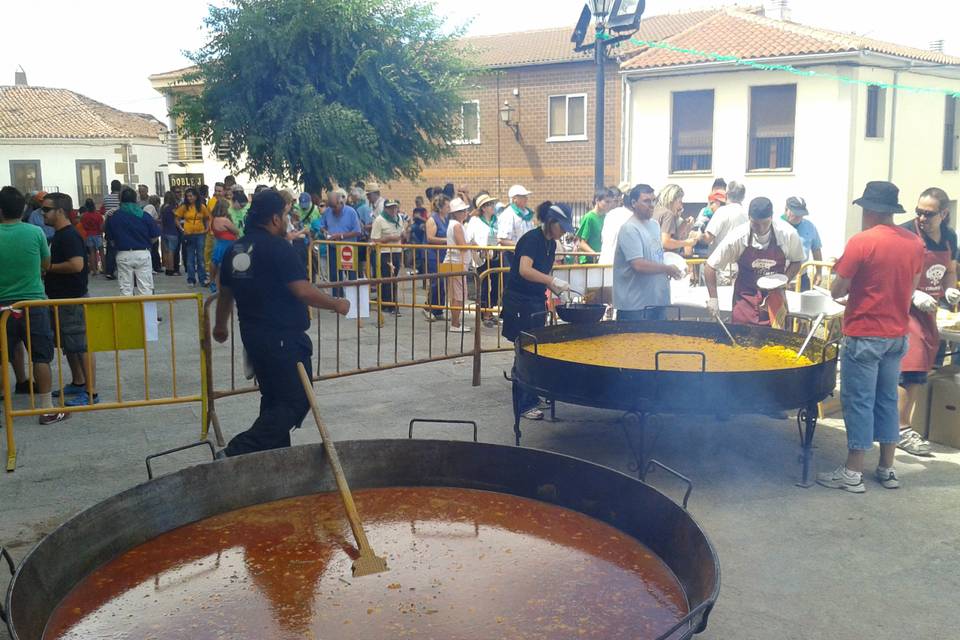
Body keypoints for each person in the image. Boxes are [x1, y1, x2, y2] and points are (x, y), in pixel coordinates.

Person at [212, 190, 350, 457]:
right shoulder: (278, 248)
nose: (287, 220)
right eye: (286, 214)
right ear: (275, 218)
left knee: (274, 399)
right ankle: (238, 450)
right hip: (283, 338)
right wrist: (336, 304)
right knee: (296, 401)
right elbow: (302, 290)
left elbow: (225, 294)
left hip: (253, 335)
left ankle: (274, 460)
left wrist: (220, 327)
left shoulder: (236, 249)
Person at [817, 181, 925, 492]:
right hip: (896, 333)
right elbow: (912, 287)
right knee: (887, 399)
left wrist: (850, 290)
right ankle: (887, 468)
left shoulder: (862, 242)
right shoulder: (915, 244)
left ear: (871, 211)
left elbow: (838, 289)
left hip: (865, 332)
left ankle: (852, 472)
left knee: (859, 401)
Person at [896, 187, 960, 457]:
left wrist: (949, 289)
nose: (922, 217)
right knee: (909, 369)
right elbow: (894, 275)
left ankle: (903, 425)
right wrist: (913, 294)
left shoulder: (949, 237)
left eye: (929, 213)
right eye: (919, 211)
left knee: (923, 368)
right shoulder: (907, 233)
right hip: (905, 310)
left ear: (943, 214)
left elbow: (949, 270)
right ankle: (900, 429)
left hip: (931, 311)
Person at [501, 202, 575, 420]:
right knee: (525, 351)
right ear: (550, 222)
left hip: (535, 300)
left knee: (535, 349)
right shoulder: (532, 239)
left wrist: (555, 288)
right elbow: (525, 270)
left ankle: (532, 395)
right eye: (560, 227)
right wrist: (551, 280)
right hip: (519, 302)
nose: (562, 231)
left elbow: (541, 273)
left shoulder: (550, 244)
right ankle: (523, 404)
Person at [0, 186, 67, 424]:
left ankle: (10, 395)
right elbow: (45, 264)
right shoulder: (35, 232)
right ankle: (47, 407)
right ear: (24, 209)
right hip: (33, 303)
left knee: (4, 353)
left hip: (3, 307)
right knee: (40, 356)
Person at [705, 197, 804, 325]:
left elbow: (797, 261)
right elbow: (710, 266)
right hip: (745, 300)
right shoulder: (738, 237)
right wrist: (713, 299)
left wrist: (784, 280)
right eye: (756, 224)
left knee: (777, 342)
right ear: (749, 218)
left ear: (772, 217)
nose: (761, 229)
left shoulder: (788, 234)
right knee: (742, 340)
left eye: (765, 223)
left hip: (775, 300)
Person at [42, 192, 97, 407]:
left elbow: (77, 265)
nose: (43, 213)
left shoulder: (69, 235)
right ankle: (78, 381)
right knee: (69, 345)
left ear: (61, 211)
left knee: (81, 345)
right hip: (61, 299)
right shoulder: (61, 234)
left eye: (47, 209)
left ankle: (91, 392)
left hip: (73, 299)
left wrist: (49, 268)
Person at [614, 184, 684, 321]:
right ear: (634, 203)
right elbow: (638, 264)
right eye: (646, 201)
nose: (651, 205)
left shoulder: (655, 225)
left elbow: (655, 256)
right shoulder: (629, 229)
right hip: (635, 306)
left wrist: (671, 267)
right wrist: (667, 269)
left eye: (653, 200)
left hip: (657, 300)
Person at [105, 187, 160, 297]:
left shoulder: (114, 217)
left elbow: (110, 239)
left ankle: (128, 314)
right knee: (146, 288)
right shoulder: (144, 215)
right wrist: (146, 244)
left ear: (120, 200)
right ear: (136, 199)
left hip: (123, 253)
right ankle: (147, 314)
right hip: (143, 253)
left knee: (125, 289)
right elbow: (154, 236)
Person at [702, 180, 748, 285]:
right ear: (743, 197)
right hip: (741, 266)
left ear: (726, 195)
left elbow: (708, 238)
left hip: (722, 266)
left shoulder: (722, 212)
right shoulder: (747, 214)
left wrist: (698, 237)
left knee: (722, 299)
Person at [319, 189, 362, 297]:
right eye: (331, 207)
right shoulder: (328, 211)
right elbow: (322, 226)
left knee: (351, 275)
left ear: (341, 202)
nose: (333, 210)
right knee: (334, 275)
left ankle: (353, 300)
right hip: (333, 247)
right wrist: (325, 232)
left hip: (348, 248)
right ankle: (337, 298)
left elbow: (357, 231)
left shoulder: (351, 212)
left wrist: (341, 236)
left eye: (335, 207)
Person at [468, 193, 500, 327]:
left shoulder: (496, 221)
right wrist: (481, 249)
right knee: (485, 285)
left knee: (497, 284)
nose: (493, 207)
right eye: (489, 205)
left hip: (495, 255)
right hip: (481, 257)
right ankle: (485, 313)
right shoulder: (475, 221)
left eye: (492, 204)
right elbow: (470, 239)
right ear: (483, 208)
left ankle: (490, 309)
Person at [370, 199, 406, 313]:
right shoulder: (379, 220)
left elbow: (402, 233)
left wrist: (405, 234)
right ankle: (386, 303)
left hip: (396, 251)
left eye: (395, 207)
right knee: (386, 278)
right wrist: (387, 239)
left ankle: (392, 302)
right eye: (390, 208)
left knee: (394, 278)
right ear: (385, 208)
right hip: (384, 252)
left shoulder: (399, 218)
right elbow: (374, 239)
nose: (393, 210)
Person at [443, 197, 473, 332]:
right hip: (456, 263)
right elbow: (463, 246)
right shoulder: (456, 225)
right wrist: (472, 244)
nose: (465, 213)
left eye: (465, 210)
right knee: (458, 295)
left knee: (457, 294)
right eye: (461, 211)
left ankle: (455, 323)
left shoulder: (455, 224)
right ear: (455, 213)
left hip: (456, 263)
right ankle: (455, 324)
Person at [782, 196, 823, 289]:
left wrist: (819, 272)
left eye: (801, 214)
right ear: (786, 210)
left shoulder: (810, 226)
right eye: (796, 214)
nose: (799, 217)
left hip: (802, 277)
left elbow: (816, 249)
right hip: (781, 277)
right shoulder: (777, 226)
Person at [175, 187, 210, 287]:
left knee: (200, 257)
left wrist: (207, 228)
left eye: (191, 196)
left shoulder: (201, 207)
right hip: (188, 234)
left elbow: (207, 218)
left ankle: (202, 278)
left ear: (196, 196)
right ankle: (191, 279)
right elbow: (176, 218)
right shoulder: (184, 207)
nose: (189, 198)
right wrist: (182, 229)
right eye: (187, 196)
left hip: (200, 233)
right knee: (190, 257)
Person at [423, 193, 450, 322]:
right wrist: (446, 240)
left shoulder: (446, 219)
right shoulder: (433, 219)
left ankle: (439, 309)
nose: (449, 208)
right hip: (434, 254)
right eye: (447, 206)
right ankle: (428, 307)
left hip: (444, 254)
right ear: (440, 207)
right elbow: (430, 238)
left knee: (442, 283)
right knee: (435, 282)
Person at [576, 187, 618, 264]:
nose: (609, 205)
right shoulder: (589, 217)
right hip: (588, 261)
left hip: (601, 260)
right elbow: (581, 243)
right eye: (607, 202)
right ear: (597, 200)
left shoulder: (607, 217)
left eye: (611, 202)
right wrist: (595, 254)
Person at [653, 184, 699, 254]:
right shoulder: (668, 214)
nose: (681, 206)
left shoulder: (654, 211)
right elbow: (666, 242)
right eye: (680, 202)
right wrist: (687, 242)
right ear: (672, 200)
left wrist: (684, 225)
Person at [209, 199, 241, 293]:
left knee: (217, 265)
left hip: (219, 243)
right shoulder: (224, 220)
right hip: (227, 245)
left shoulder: (214, 220)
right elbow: (236, 231)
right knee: (227, 266)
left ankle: (214, 283)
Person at [496, 185, 536, 249]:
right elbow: (502, 239)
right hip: (512, 254)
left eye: (526, 196)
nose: (526, 198)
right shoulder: (508, 214)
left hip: (527, 253)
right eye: (523, 196)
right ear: (514, 199)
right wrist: (521, 245)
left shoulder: (528, 214)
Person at [102, 180, 122, 280]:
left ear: (111, 187)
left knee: (110, 249)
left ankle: (109, 271)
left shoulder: (106, 198)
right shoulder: (120, 199)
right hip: (120, 223)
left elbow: (104, 210)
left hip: (109, 223)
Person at [79, 199, 104, 275]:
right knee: (101, 252)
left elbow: (83, 225)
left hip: (89, 235)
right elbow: (101, 226)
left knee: (92, 252)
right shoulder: (98, 215)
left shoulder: (84, 216)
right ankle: (105, 268)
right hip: (97, 234)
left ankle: (94, 270)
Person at [160, 191, 181, 276]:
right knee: (172, 251)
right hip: (172, 231)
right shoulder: (173, 208)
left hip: (164, 231)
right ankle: (172, 269)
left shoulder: (163, 208)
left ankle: (167, 268)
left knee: (166, 251)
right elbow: (177, 218)